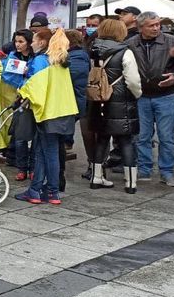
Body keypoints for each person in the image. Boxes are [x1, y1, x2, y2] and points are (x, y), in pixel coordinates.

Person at [14, 29, 78, 205]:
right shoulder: (62, 63)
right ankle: (36, 190)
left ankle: (52, 192)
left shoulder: (44, 62)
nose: (32, 43)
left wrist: (21, 91)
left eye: (34, 40)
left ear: (43, 43)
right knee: (45, 152)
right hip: (65, 111)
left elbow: (33, 87)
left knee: (49, 153)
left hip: (49, 113)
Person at [87, 21, 140, 192]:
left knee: (102, 139)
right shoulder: (125, 52)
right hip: (121, 99)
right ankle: (130, 183)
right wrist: (136, 94)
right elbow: (132, 80)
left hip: (99, 98)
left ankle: (96, 178)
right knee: (126, 140)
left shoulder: (93, 50)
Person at [128, 11, 174, 185]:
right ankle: (144, 169)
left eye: (158, 24)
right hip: (141, 96)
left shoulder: (172, 41)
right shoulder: (131, 44)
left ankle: (167, 171)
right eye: (151, 25)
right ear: (141, 27)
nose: (156, 28)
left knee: (166, 136)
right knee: (142, 135)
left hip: (166, 95)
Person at [1, 29, 35, 181]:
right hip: (20, 98)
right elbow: (8, 75)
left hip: (35, 99)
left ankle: (34, 167)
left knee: (35, 137)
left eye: (21, 41)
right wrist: (23, 78)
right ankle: (21, 167)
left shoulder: (38, 57)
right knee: (20, 136)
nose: (18, 44)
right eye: (16, 41)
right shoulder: (13, 56)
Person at [63, 29, 89, 192]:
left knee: (65, 128)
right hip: (71, 99)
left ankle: (66, 144)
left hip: (73, 101)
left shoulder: (78, 56)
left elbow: (69, 75)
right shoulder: (76, 55)